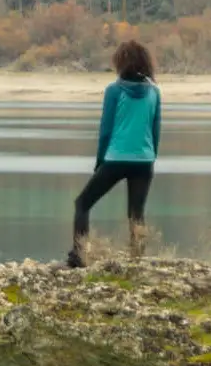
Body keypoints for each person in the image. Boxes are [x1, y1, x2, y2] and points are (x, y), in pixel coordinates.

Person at [67, 40, 161, 269]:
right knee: (136, 214)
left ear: (120, 62)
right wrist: (151, 157)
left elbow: (106, 129)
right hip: (145, 160)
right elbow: (155, 128)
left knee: (82, 203)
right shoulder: (154, 92)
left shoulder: (114, 91)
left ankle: (79, 256)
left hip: (116, 158)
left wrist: (100, 161)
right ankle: (137, 260)